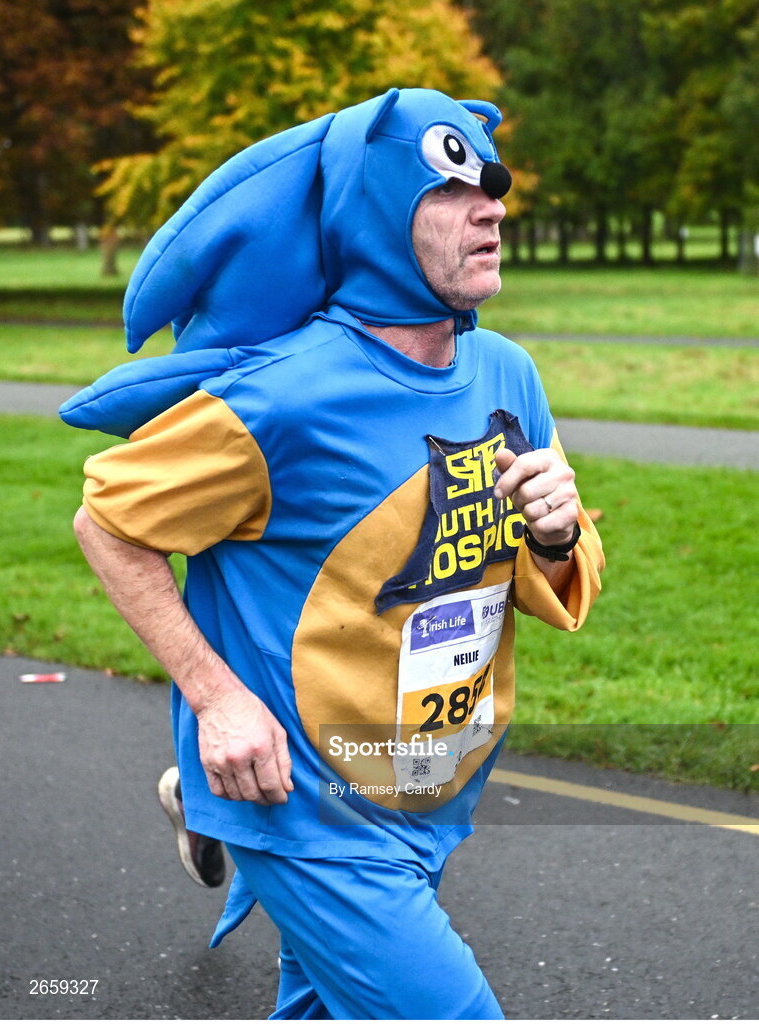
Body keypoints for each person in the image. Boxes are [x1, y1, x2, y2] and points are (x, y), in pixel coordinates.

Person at [64, 87, 604, 1019]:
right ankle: (207, 802)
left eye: (496, 187)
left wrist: (557, 533)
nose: (493, 208)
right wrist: (218, 700)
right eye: (450, 189)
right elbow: (107, 522)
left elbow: (531, 570)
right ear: (377, 217)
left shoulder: (508, 371)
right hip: (306, 806)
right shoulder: (285, 397)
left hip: (428, 782)